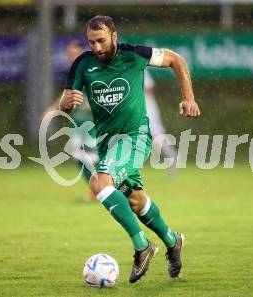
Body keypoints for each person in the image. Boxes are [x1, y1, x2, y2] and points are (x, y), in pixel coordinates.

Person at [59, 15, 200, 283]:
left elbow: (175, 59)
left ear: (114, 36)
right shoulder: (82, 64)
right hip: (107, 145)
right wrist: (66, 103)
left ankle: (142, 246)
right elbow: (67, 104)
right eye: (91, 42)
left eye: (101, 40)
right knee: (135, 201)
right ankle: (173, 241)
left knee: (99, 182)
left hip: (135, 137)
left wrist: (188, 98)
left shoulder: (134, 55)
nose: (97, 48)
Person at [42, 41, 98, 200]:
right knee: (79, 156)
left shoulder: (91, 70)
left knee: (92, 158)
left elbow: (103, 91)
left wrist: (92, 104)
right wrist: (51, 110)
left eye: (74, 54)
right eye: (69, 54)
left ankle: (107, 187)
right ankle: (96, 189)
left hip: (91, 123)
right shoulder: (74, 73)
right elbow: (66, 95)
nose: (71, 57)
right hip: (77, 123)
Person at [144, 69, 178, 174]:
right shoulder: (122, 69)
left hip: (148, 109)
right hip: (135, 110)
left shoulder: (138, 67)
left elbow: (149, 86)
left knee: (157, 136)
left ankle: (172, 157)